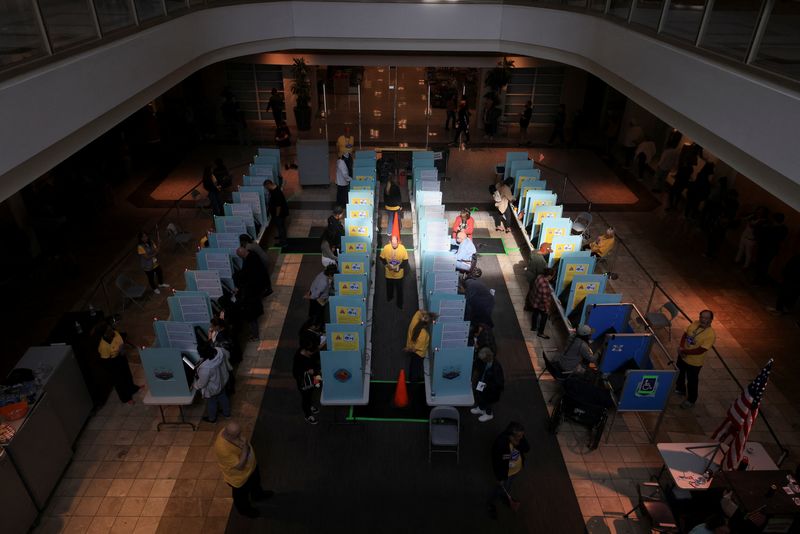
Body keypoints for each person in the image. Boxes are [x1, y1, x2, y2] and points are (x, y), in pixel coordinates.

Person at [213, 421, 273, 518]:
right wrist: (245, 447)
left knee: (256, 482)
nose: (241, 435)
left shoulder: (228, 433)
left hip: (251, 469)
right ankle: (244, 510)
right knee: (241, 496)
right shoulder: (222, 449)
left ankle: (258, 495)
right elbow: (240, 466)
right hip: (239, 477)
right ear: (230, 435)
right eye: (238, 434)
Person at [487, 422, 530, 519]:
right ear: (511, 435)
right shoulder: (500, 444)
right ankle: (491, 503)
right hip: (505, 473)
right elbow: (497, 463)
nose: (522, 437)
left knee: (508, 486)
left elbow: (527, 448)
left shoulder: (519, 438)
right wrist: (500, 477)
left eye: (522, 435)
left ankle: (505, 497)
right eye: (520, 436)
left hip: (515, 470)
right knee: (499, 489)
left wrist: (517, 444)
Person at [676, 310, 716, 409]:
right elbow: (685, 334)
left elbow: (701, 350)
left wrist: (685, 352)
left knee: (692, 381)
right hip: (683, 355)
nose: (703, 319)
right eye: (702, 317)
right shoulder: (695, 323)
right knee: (679, 373)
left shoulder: (710, 335)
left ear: (711, 320)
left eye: (706, 318)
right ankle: (680, 389)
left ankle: (691, 400)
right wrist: (681, 347)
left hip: (694, 363)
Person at [98, 325, 141, 404]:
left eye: (110, 328)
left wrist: (132, 346)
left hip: (121, 356)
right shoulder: (104, 346)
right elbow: (106, 361)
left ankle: (132, 388)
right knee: (120, 381)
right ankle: (126, 398)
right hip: (112, 362)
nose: (112, 330)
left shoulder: (115, 333)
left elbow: (123, 340)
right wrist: (114, 370)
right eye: (109, 330)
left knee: (127, 374)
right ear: (105, 334)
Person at [234, 246, 268, 341]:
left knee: (253, 322)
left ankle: (255, 336)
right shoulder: (253, 255)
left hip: (251, 309)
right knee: (253, 321)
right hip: (255, 303)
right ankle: (254, 334)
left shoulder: (246, 290)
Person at [194, 343, 231, 423]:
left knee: (212, 402)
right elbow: (228, 355)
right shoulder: (219, 351)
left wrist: (196, 385)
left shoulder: (206, 368)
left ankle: (212, 418)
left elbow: (203, 383)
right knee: (223, 397)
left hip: (213, 388)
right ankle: (227, 413)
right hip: (223, 380)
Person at [292, 335, 322, 425]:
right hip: (304, 381)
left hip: (314, 377)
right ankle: (308, 415)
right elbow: (296, 373)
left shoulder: (311, 352)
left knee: (312, 392)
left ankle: (310, 405)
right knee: (306, 397)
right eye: (311, 351)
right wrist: (307, 371)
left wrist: (316, 374)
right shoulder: (299, 358)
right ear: (305, 349)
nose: (312, 353)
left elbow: (315, 362)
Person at [471, 347, 505, 423]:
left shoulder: (496, 368)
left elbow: (499, 384)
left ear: (488, 358)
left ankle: (489, 414)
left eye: (483, 360)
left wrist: (487, 386)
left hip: (491, 390)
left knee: (488, 402)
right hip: (482, 384)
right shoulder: (484, 362)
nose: (482, 361)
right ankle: (481, 408)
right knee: (481, 397)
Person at [754, 212, 789, 285]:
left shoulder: (770, 228)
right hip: (772, 250)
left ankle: (758, 279)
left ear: (774, 219)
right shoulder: (784, 229)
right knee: (765, 265)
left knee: (761, 264)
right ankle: (760, 279)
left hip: (765, 248)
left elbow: (762, 235)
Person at [379, 235, 409, 309]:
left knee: (399, 290)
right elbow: (381, 257)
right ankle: (390, 297)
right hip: (388, 274)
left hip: (399, 275)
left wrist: (399, 267)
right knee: (389, 287)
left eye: (396, 244)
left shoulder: (402, 248)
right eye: (393, 243)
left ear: (398, 242)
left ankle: (399, 304)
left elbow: (406, 261)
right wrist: (386, 265)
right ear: (390, 242)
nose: (394, 245)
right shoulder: (386, 248)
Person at [404, 310, 433, 382]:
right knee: (416, 367)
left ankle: (413, 378)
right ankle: (413, 382)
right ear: (426, 325)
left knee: (413, 365)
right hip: (418, 354)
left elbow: (420, 311)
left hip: (410, 346)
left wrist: (427, 315)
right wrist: (408, 349)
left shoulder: (415, 320)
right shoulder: (424, 335)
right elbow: (416, 349)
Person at [524, 242, 551, 311]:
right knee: (531, 291)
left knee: (530, 290)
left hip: (529, 274)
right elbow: (541, 272)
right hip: (533, 277)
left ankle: (528, 305)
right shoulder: (541, 262)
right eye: (548, 251)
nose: (548, 253)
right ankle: (528, 306)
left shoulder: (534, 252)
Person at [529, 268, 554, 339]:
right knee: (544, 317)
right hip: (541, 304)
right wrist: (547, 309)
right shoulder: (545, 285)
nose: (552, 277)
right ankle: (540, 333)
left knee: (535, 313)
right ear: (549, 276)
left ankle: (533, 327)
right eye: (552, 276)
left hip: (535, 300)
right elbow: (545, 300)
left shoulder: (539, 276)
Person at [264, 179, 288, 248]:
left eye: (266, 187)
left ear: (269, 185)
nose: (266, 189)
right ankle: (281, 237)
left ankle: (283, 243)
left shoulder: (276, 192)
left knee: (281, 227)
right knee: (280, 227)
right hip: (280, 213)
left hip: (280, 214)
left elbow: (278, 206)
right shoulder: (274, 188)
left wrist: (277, 215)